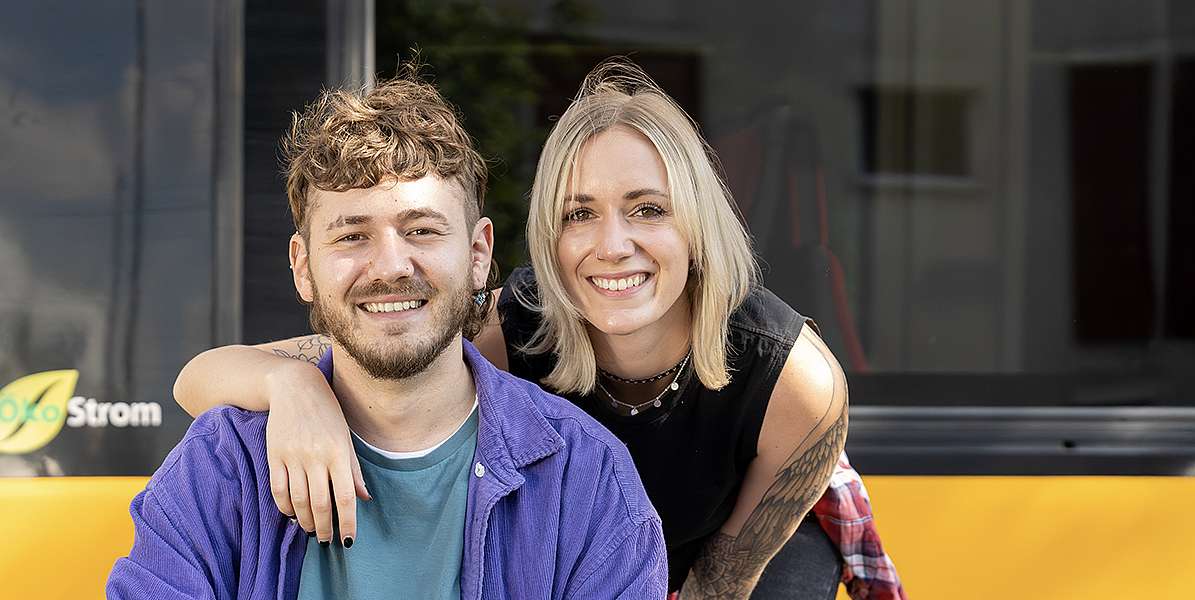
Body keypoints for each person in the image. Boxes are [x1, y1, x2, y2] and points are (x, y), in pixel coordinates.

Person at [175, 60, 904, 599]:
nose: (612, 245)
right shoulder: (509, 327)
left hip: (735, 560)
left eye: (648, 209)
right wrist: (293, 383)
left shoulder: (793, 381)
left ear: (698, 227)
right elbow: (199, 378)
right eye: (579, 213)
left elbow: (726, 579)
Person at [108, 71, 667, 599]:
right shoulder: (227, 463)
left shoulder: (586, 480)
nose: (391, 266)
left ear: (478, 255)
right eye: (352, 236)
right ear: (303, 267)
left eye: (422, 230)